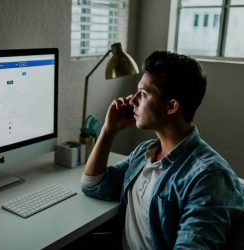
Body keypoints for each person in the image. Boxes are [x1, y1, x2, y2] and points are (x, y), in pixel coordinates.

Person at [80, 51, 244, 249]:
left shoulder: (209, 177)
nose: (132, 100)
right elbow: (93, 185)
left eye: (143, 94)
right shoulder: (145, 153)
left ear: (171, 106)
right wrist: (108, 130)